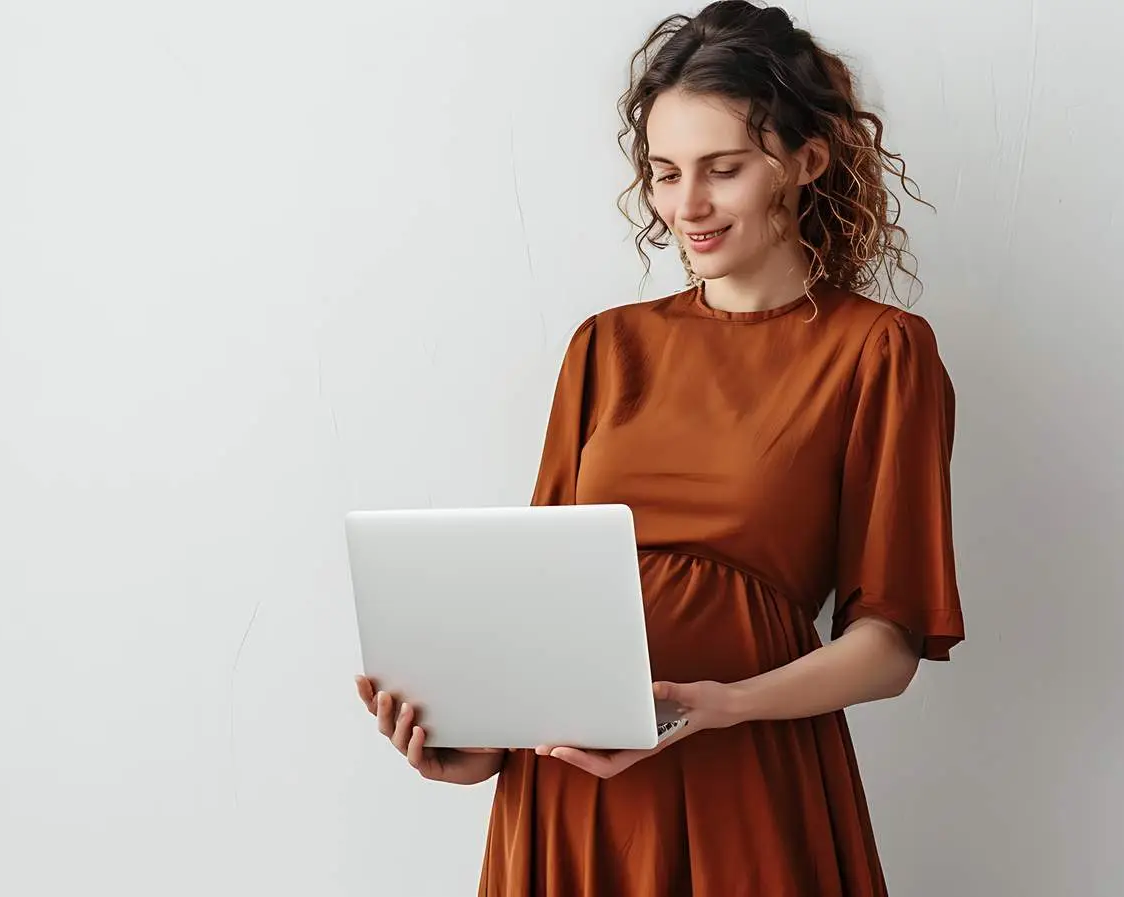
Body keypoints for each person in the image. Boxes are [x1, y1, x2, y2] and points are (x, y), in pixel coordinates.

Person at [354, 1, 965, 893]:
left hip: (745, 772)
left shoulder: (878, 350)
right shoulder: (606, 346)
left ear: (804, 161)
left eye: (723, 169)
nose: (688, 206)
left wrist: (720, 706)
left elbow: (890, 643)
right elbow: (533, 599)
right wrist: (477, 741)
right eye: (665, 172)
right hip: (570, 786)